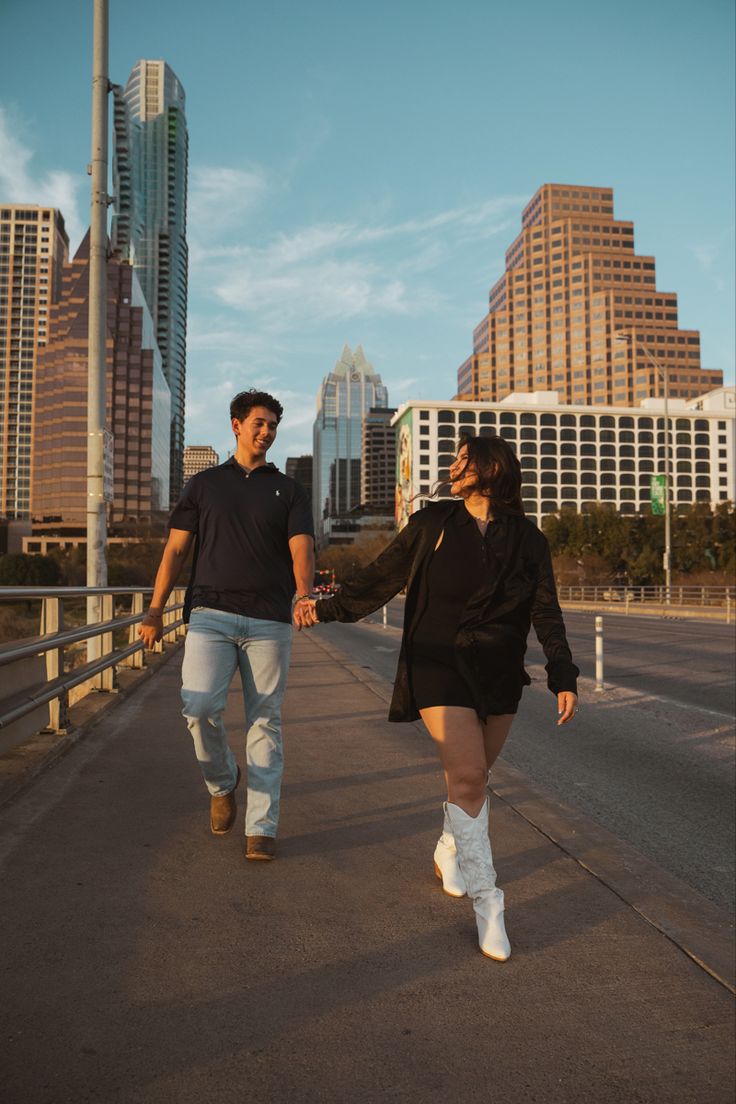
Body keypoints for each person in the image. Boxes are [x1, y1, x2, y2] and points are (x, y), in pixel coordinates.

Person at [295, 436, 578, 959]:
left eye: (463, 459)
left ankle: (450, 845)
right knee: (470, 776)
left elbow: (546, 611)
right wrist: (324, 607)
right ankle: (489, 902)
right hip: (436, 664)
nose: (453, 466)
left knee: (471, 780)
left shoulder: (528, 539)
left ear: (492, 468)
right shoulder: (434, 524)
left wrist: (563, 673)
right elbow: (379, 579)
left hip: (498, 672)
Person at [139, 389, 315, 861]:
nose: (267, 432)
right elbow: (175, 551)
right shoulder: (203, 485)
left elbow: (301, 547)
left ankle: (261, 827)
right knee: (197, 707)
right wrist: (155, 611)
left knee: (265, 721)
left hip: (269, 619)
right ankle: (222, 782)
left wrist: (304, 593)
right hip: (210, 616)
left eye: (274, 425)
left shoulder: (290, 489)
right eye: (259, 423)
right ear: (236, 425)